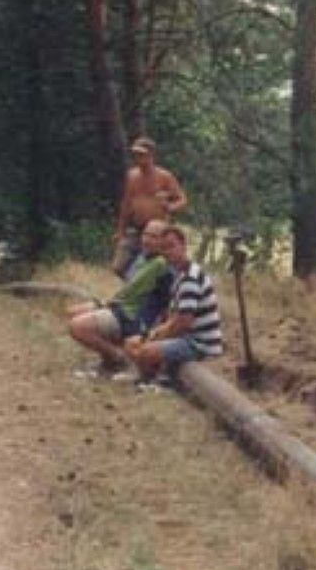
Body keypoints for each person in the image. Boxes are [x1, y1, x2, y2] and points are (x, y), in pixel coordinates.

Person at [68, 220, 172, 378]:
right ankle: (108, 360)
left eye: (154, 237)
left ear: (164, 241)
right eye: (145, 234)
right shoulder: (145, 257)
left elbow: (130, 292)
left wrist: (101, 304)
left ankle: (119, 358)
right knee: (74, 313)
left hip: (133, 318)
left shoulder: (159, 263)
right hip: (124, 309)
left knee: (78, 326)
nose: (146, 240)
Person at [125, 225, 222, 386]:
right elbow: (174, 318)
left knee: (144, 351)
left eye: (172, 246)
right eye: (164, 248)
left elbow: (183, 323)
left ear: (183, 246)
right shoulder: (179, 275)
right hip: (187, 338)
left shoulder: (190, 278)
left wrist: (155, 339)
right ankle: (153, 377)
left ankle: (153, 379)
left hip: (199, 343)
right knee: (131, 343)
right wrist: (154, 334)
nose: (168, 252)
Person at [111, 136, 187, 277]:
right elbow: (126, 204)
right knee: (119, 266)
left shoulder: (164, 176)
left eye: (141, 154)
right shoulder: (131, 176)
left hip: (157, 231)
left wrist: (169, 207)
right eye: (135, 154)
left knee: (154, 266)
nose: (138, 158)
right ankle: (134, 284)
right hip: (136, 228)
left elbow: (182, 200)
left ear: (150, 155)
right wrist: (120, 230)